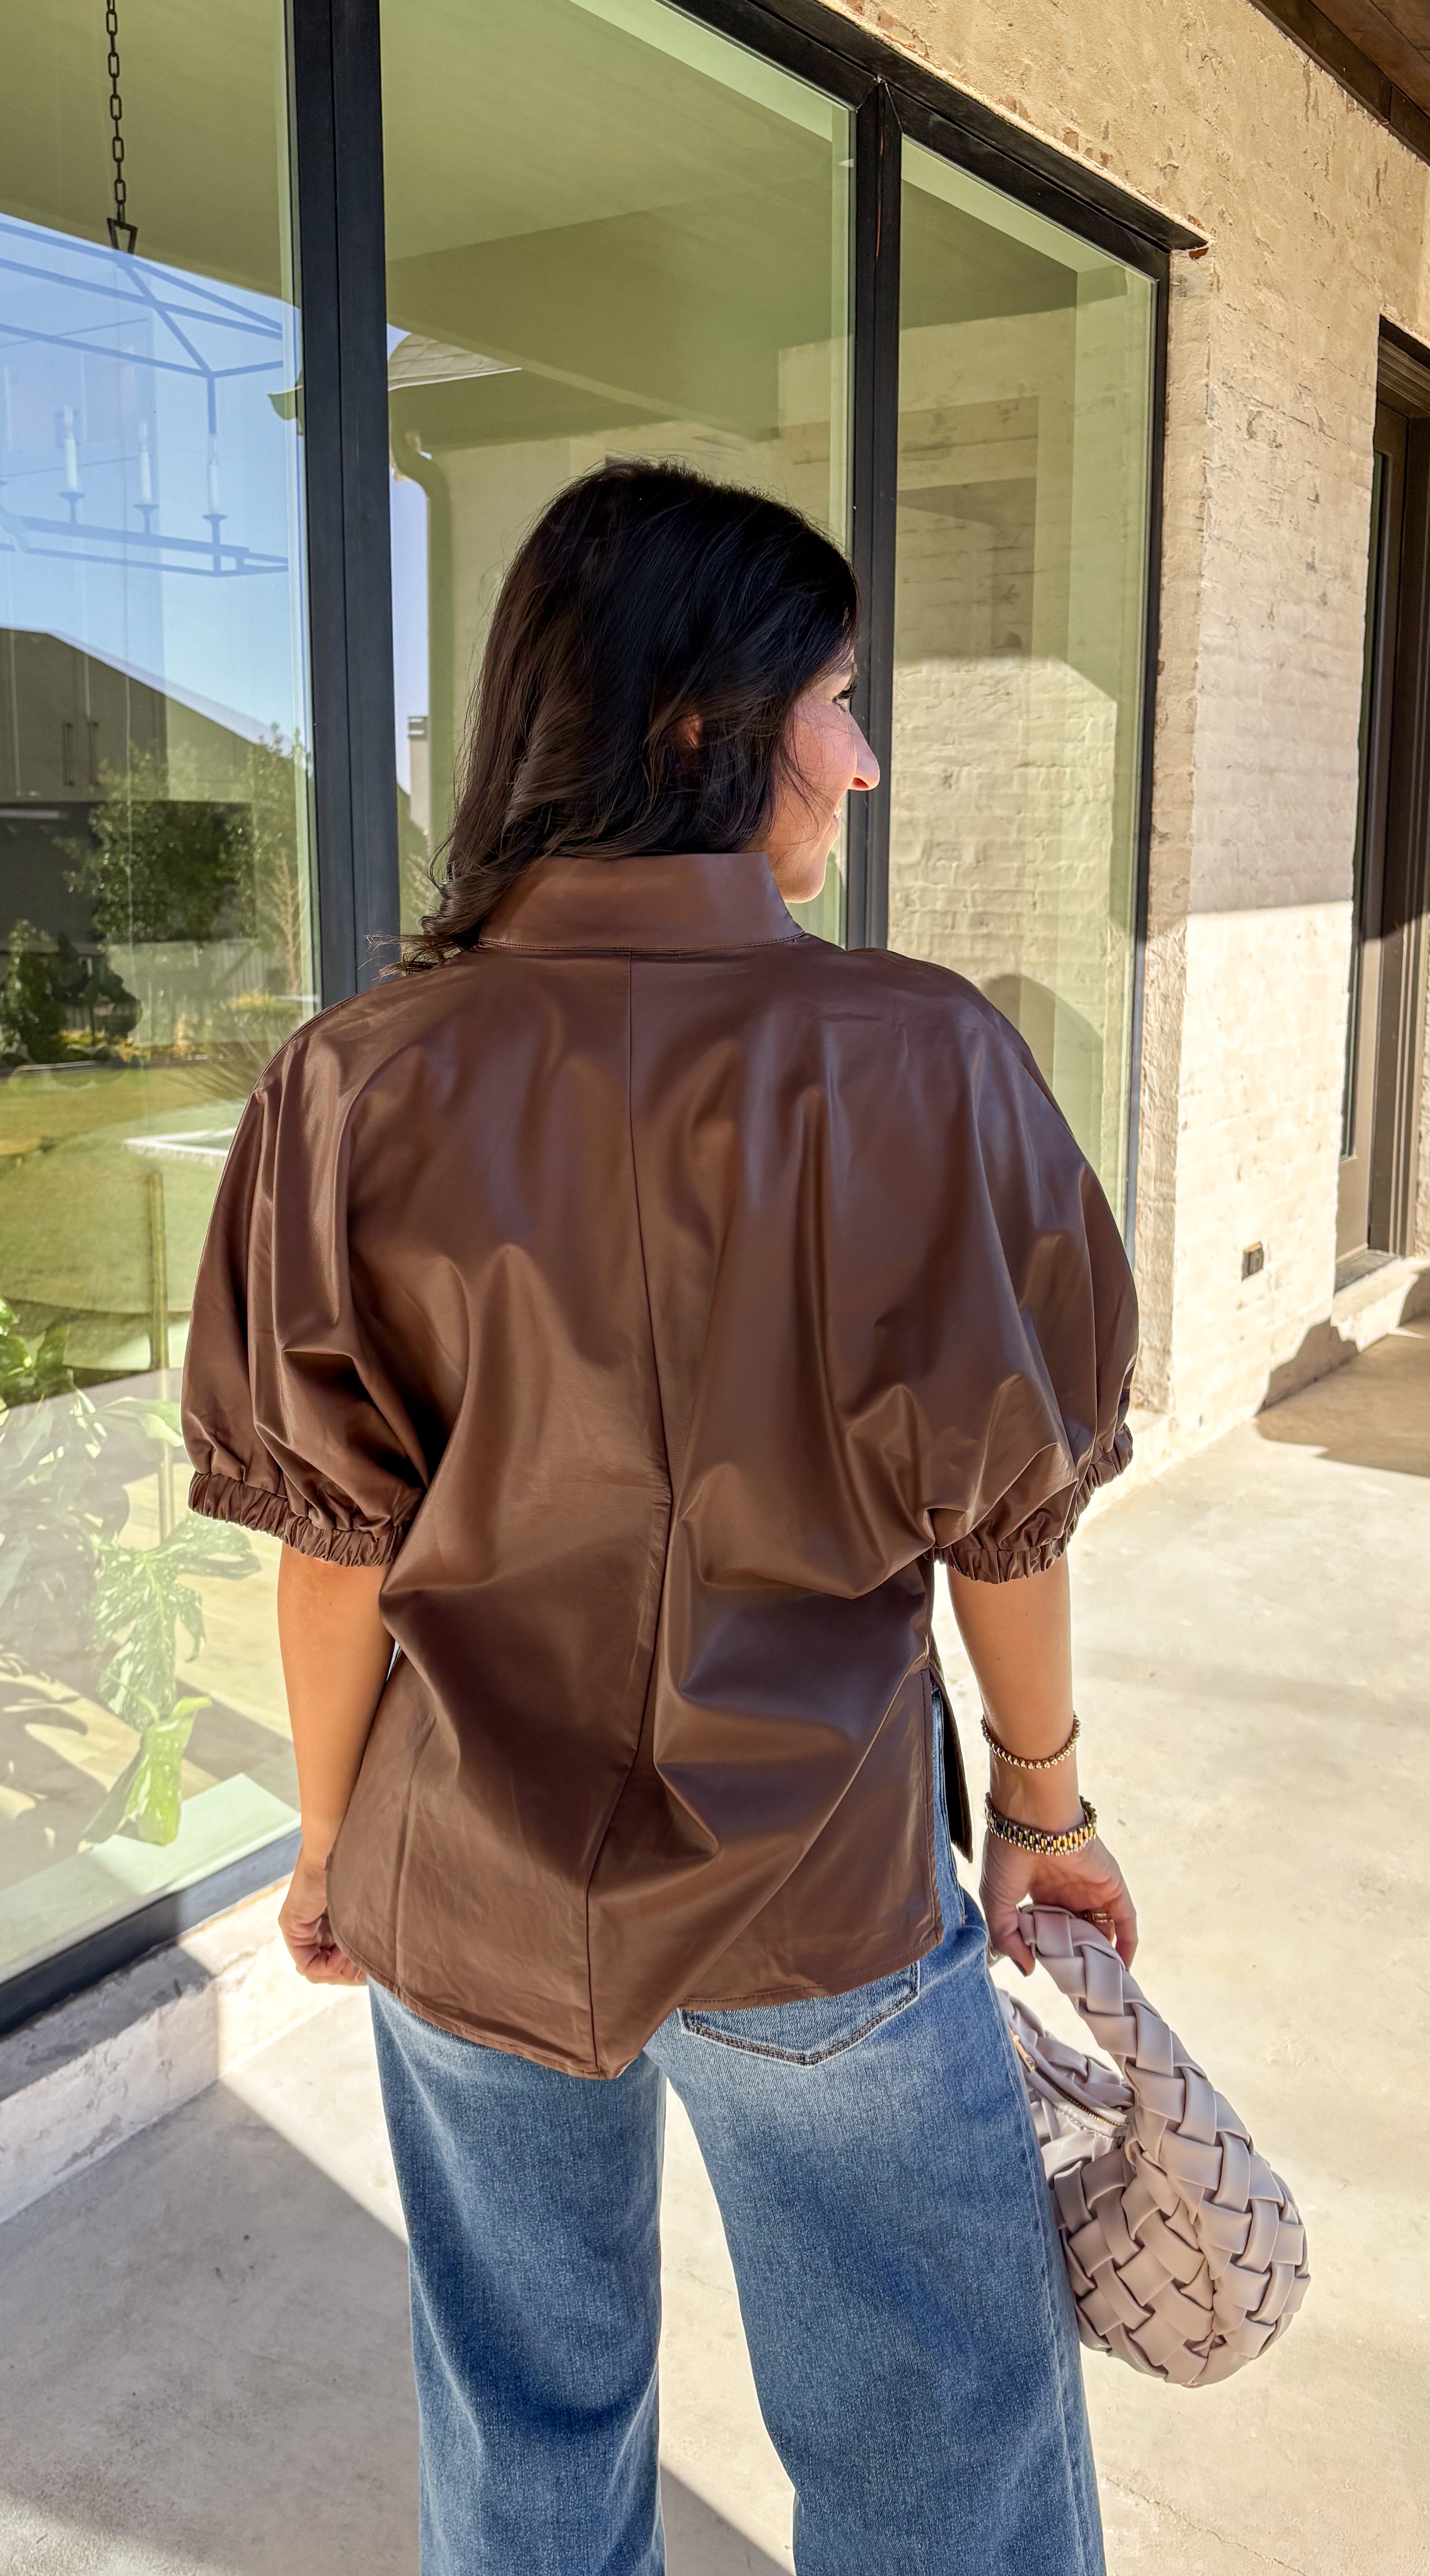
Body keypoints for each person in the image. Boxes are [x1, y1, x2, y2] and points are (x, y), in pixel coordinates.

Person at [181, 460, 1138, 2576]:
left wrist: (336, 1840)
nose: (864, 764)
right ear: (705, 729)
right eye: (842, 703)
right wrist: (1049, 1809)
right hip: (822, 1886)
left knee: (523, 2426)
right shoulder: (921, 1057)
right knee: (943, 2456)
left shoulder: (350, 1079)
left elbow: (332, 1543)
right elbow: (1006, 1518)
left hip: (467, 1881)